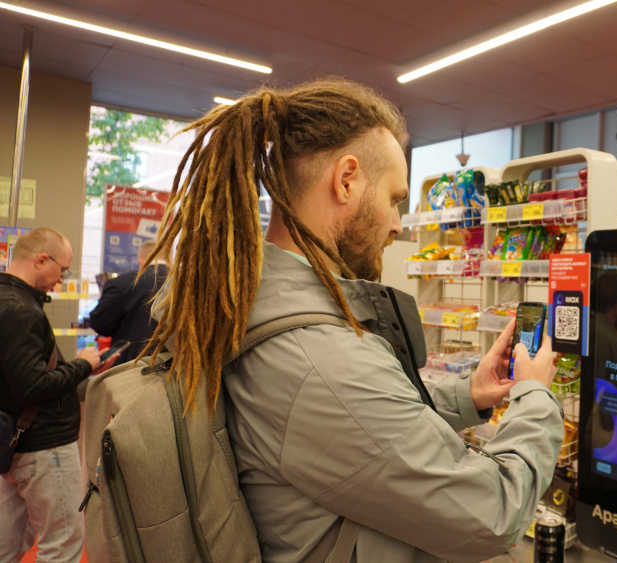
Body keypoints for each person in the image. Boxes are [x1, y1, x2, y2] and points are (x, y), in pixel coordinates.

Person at [143, 78, 564, 562]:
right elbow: (493, 511)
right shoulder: (318, 357)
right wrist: (535, 396)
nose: (398, 224)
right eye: (394, 199)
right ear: (346, 180)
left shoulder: (252, 304)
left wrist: (467, 394)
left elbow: (354, 436)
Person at [0, 227, 118, 563]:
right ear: (40, 260)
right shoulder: (21, 309)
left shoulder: (11, 300)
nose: (60, 281)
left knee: (7, 545)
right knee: (62, 546)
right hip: (42, 444)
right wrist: (83, 364)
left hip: (16, 443)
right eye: (62, 270)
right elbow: (31, 386)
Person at [89, 240, 169, 365]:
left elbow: (100, 324)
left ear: (140, 261)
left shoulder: (121, 284)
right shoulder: (187, 284)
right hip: (176, 366)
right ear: (168, 258)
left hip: (130, 366)